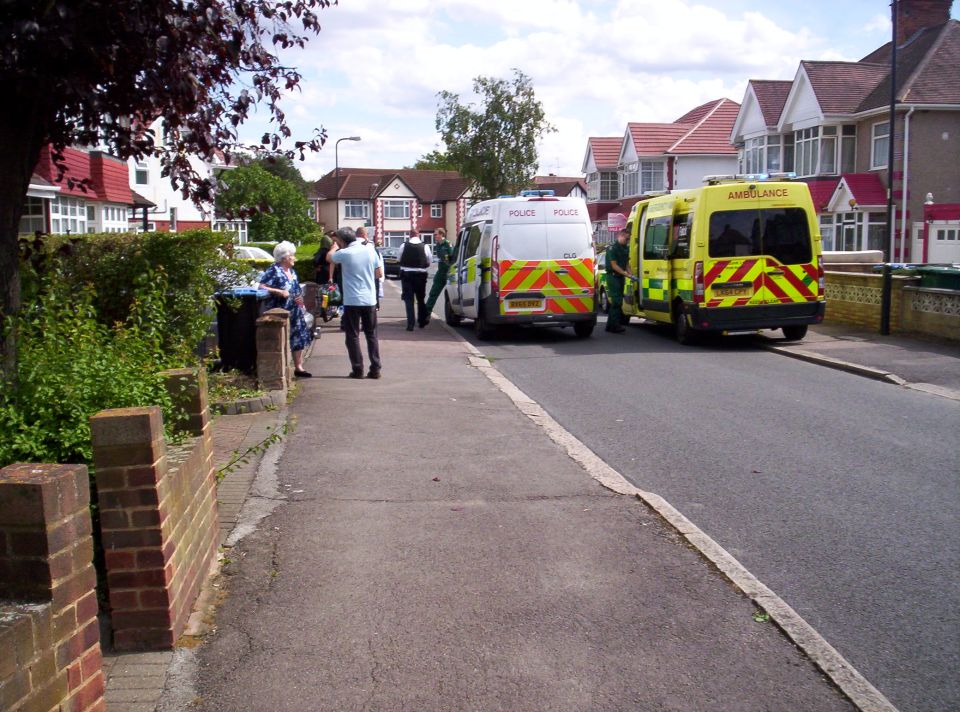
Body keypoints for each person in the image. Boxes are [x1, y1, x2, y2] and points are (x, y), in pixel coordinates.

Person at [328, 227, 383, 379]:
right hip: (369, 299)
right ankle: (375, 368)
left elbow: (329, 257)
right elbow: (379, 274)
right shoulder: (370, 250)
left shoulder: (344, 253)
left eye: (338, 240)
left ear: (343, 241)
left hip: (352, 300)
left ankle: (357, 369)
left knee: (352, 335)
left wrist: (334, 247)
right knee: (371, 335)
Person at [259, 241, 314, 377]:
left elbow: (295, 289)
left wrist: (301, 301)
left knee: (299, 336)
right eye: (292, 256)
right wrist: (277, 291)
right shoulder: (274, 270)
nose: (294, 258)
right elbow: (261, 286)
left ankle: (298, 367)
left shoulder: (292, 271)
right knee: (282, 337)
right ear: (284, 257)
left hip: (295, 309)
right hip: (281, 309)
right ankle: (282, 366)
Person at [397, 228, 432, 330]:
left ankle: (410, 324)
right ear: (418, 235)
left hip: (407, 275)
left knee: (409, 300)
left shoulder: (404, 245)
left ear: (409, 235)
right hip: (420, 276)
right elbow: (430, 260)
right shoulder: (425, 246)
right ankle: (421, 322)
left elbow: (399, 259)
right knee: (420, 299)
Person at [605, 229, 635, 334]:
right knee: (617, 301)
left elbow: (626, 263)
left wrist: (631, 274)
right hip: (613, 277)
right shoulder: (612, 248)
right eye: (626, 239)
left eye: (628, 239)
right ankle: (615, 325)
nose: (627, 241)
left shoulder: (625, 248)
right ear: (621, 236)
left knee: (618, 301)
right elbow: (614, 265)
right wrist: (625, 274)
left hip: (620, 277)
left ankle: (610, 325)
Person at [423, 227, 453, 319]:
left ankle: (453, 314)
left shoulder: (448, 244)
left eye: (436, 234)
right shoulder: (438, 245)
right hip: (441, 272)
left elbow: (452, 258)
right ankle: (427, 312)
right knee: (433, 292)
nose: (434, 236)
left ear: (441, 234)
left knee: (452, 294)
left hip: (448, 272)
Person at [356, 226, 384, 306]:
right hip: (371, 278)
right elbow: (379, 271)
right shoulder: (371, 248)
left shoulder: (350, 247)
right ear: (365, 235)